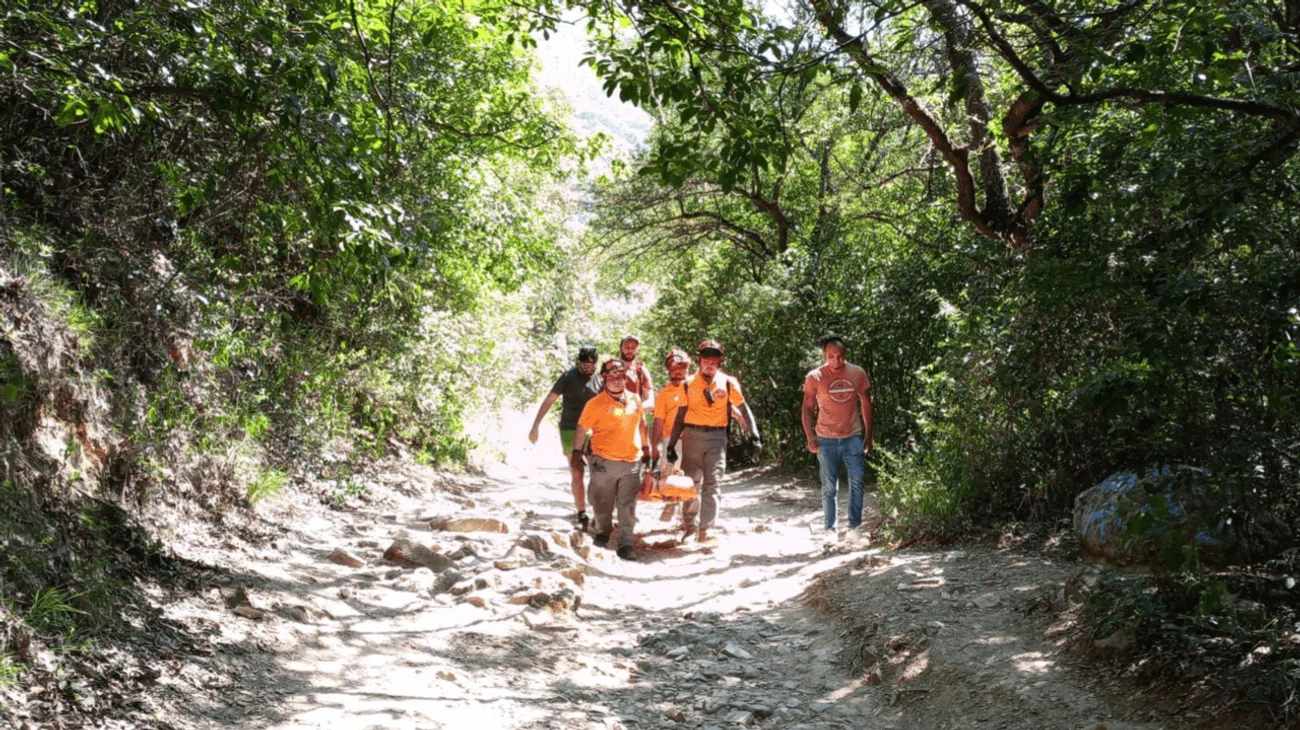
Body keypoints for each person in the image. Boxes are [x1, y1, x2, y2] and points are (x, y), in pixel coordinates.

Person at [664, 339, 761, 543]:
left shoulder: (728, 382)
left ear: (720, 362)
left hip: (717, 438)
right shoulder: (688, 383)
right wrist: (672, 443)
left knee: (713, 482)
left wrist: (754, 436)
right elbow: (680, 415)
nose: (709, 364)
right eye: (705, 360)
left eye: (714, 360)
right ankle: (690, 527)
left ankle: (706, 529)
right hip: (692, 436)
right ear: (699, 360)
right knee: (690, 482)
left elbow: (744, 409)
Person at [572, 359, 651, 560]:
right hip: (604, 462)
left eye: (621, 377)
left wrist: (647, 448)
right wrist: (576, 452)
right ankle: (604, 531)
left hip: (632, 461)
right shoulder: (595, 404)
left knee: (628, 505)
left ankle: (626, 544)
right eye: (612, 377)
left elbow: (642, 424)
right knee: (602, 503)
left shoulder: (635, 399)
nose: (617, 381)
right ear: (603, 378)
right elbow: (582, 428)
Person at [801, 336, 873, 545]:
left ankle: (854, 529)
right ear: (825, 356)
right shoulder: (815, 376)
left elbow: (867, 402)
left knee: (857, 481)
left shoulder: (857, 373)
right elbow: (807, 408)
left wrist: (869, 436)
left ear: (845, 355)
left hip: (853, 436)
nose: (836, 361)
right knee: (829, 486)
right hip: (826, 439)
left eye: (840, 357)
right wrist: (810, 436)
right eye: (831, 357)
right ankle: (830, 531)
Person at [529, 345, 602, 531]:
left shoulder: (599, 379)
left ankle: (600, 511)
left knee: (599, 471)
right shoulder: (568, 377)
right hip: (570, 429)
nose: (588, 370)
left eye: (591, 367)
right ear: (578, 363)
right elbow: (550, 399)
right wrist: (535, 425)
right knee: (576, 471)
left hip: (593, 430)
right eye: (584, 366)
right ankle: (581, 512)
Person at [650, 348, 691, 520]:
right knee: (670, 473)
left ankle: (687, 516)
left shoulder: (694, 387)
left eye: (681, 368)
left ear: (687, 367)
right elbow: (658, 420)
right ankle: (670, 505)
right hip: (671, 440)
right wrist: (654, 446)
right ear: (668, 370)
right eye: (674, 369)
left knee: (690, 476)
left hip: (694, 438)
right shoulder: (663, 394)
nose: (678, 372)